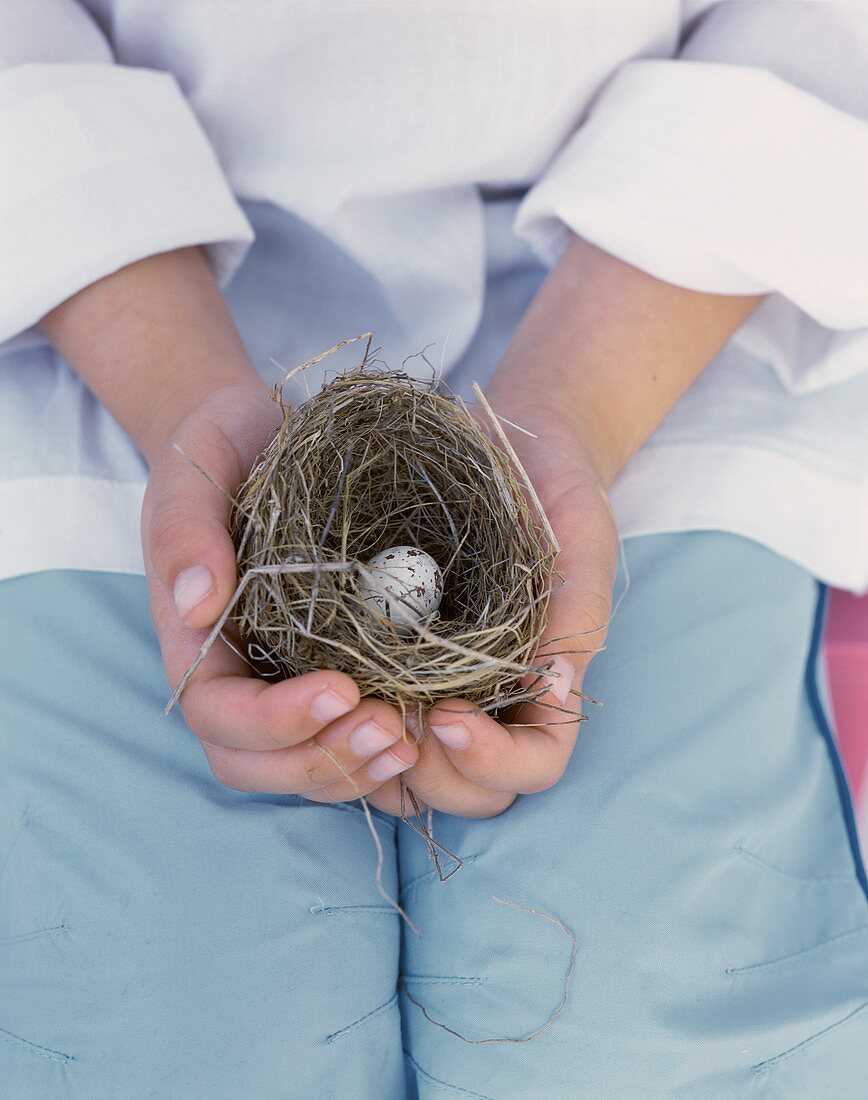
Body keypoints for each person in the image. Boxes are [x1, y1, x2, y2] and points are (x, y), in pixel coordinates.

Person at [2, 2, 868, 1096]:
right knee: (171, 1046)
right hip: (97, 305)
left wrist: (573, 411)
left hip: (667, 310)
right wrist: (181, 392)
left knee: (636, 1037)